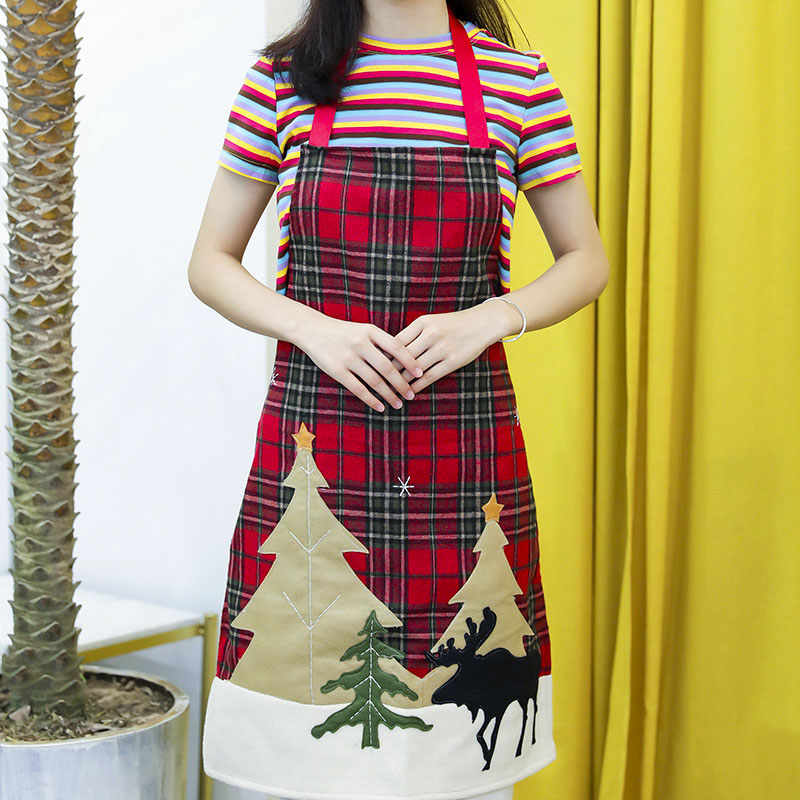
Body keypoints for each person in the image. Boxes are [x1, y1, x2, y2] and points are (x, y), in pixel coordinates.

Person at [189, 1, 608, 798]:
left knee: (460, 770)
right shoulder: (282, 80)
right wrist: (314, 329)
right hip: (319, 458)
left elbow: (585, 259)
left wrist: (493, 317)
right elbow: (210, 261)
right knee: (307, 772)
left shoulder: (516, 80)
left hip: (463, 456)